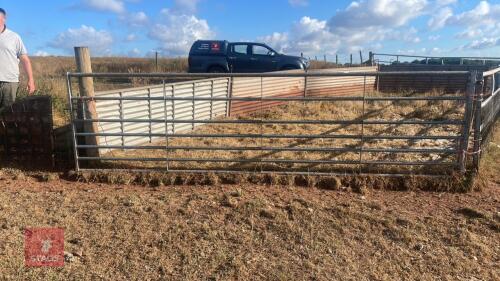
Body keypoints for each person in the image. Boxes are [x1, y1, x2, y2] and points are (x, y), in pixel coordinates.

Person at [0, 7, 35, 112]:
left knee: (8, 115)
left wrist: (31, 80)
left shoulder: (14, 37)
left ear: (4, 18)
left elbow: (25, 59)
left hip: (10, 82)